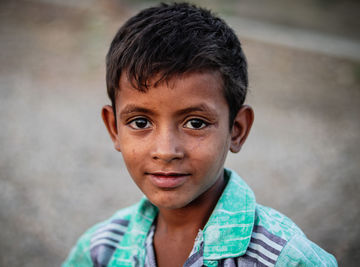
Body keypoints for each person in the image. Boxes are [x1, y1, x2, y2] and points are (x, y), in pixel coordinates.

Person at [63, 3, 337, 266]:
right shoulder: (100, 250)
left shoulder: (285, 259)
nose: (166, 150)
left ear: (237, 130)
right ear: (114, 129)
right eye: (140, 122)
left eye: (195, 123)